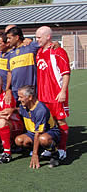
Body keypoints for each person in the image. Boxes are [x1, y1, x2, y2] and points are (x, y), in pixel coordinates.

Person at [35, 26, 70, 160]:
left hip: (56, 94)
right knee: (49, 122)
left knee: (60, 121)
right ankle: (50, 148)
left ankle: (62, 148)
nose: (37, 40)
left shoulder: (58, 52)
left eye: (39, 37)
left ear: (48, 37)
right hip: (43, 96)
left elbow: (65, 73)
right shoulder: (39, 52)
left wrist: (63, 91)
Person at [14, 85, 61, 168]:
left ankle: (55, 153)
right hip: (33, 133)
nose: (18, 99)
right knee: (19, 140)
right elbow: (19, 110)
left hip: (49, 133)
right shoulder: (23, 105)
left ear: (30, 97)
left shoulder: (40, 110)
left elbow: (38, 134)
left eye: (21, 97)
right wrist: (12, 110)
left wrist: (34, 154)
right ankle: (40, 150)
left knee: (43, 139)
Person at [5, 26, 39, 102]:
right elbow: (10, 73)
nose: (8, 40)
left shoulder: (30, 47)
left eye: (10, 38)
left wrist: (55, 43)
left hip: (29, 91)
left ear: (17, 37)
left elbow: (45, 44)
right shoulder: (11, 53)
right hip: (15, 91)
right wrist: (7, 89)